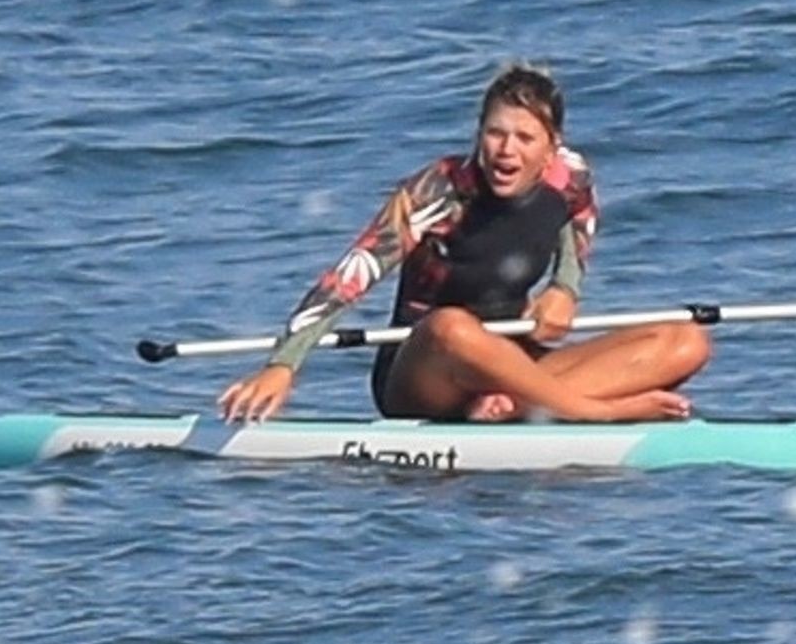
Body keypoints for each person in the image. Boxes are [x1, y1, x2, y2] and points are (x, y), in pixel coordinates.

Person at [217, 63, 711, 424]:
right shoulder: (435, 193)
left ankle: (513, 407)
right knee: (452, 326)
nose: (506, 151)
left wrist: (565, 287)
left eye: (524, 138)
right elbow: (347, 278)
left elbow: (580, 216)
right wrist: (283, 365)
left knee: (686, 340)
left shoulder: (571, 176)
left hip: (514, 364)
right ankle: (590, 410)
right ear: (479, 135)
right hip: (425, 372)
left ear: (551, 148)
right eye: (495, 134)